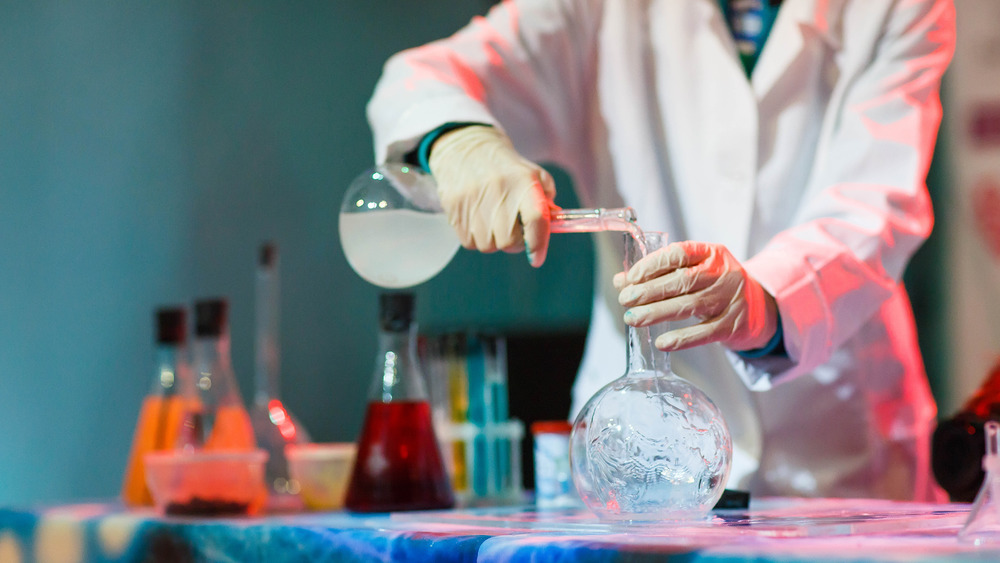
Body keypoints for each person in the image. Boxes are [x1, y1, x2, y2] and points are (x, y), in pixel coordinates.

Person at [366, 0, 956, 500]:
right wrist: (459, 140)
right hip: (636, 457)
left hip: (836, 450)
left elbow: (875, 204)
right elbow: (423, 78)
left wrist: (768, 300)